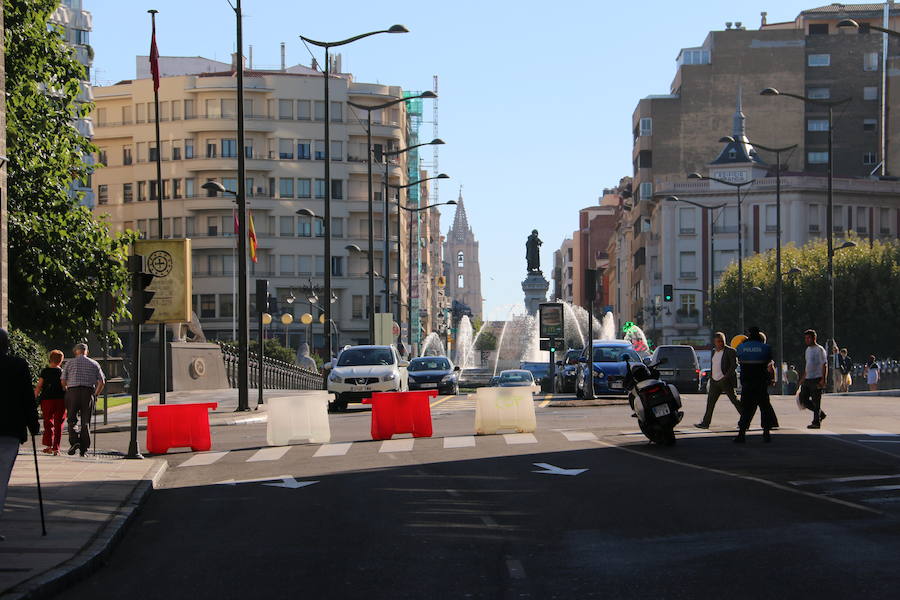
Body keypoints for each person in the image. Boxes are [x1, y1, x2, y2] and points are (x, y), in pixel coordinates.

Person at [0, 328, 40, 540]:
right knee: (1, 478)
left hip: (9, 429)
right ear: (7, 346)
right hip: (9, 430)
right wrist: (33, 425)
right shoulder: (18, 366)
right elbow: (27, 399)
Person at [734, 327, 778, 443]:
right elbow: (769, 363)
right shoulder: (766, 348)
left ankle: (741, 434)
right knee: (764, 408)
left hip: (747, 383)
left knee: (746, 410)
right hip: (761, 383)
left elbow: (738, 358)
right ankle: (766, 433)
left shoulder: (742, 347)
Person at [61, 343, 105, 456]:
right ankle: (84, 449)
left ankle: (74, 441)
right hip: (88, 392)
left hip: (73, 392)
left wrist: (67, 389)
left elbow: (63, 380)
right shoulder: (94, 363)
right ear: (86, 352)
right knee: (86, 421)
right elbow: (102, 382)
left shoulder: (69, 363)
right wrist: (96, 394)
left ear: (76, 351)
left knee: (71, 419)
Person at [695, 332, 740, 429]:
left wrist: (726, 377)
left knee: (734, 401)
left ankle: (745, 420)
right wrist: (711, 378)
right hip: (714, 381)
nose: (720, 343)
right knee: (710, 403)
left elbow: (734, 365)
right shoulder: (713, 351)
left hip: (725, 381)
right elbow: (714, 365)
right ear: (715, 342)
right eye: (718, 341)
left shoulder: (730, 351)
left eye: (721, 341)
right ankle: (705, 423)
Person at [34, 350, 67, 455]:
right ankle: (56, 447)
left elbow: (39, 386)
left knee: (48, 422)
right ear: (60, 360)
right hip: (60, 399)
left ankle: (48, 445)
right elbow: (64, 386)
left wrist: (34, 396)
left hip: (47, 399)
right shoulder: (62, 372)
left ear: (50, 359)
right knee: (59, 423)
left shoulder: (45, 371)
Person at [798, 329, 828, 429]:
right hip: (808, 379)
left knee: (816, 401)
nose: (806, 340)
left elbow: (824, 365)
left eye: (808, 338)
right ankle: (821, 414)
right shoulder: (808, 350)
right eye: (805, 338)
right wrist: (803, 378)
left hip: (817, 378)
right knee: (803, 400)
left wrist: (823, 379)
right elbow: (808, 365)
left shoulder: (819, 349)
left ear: (814, 338)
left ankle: (816, 422)